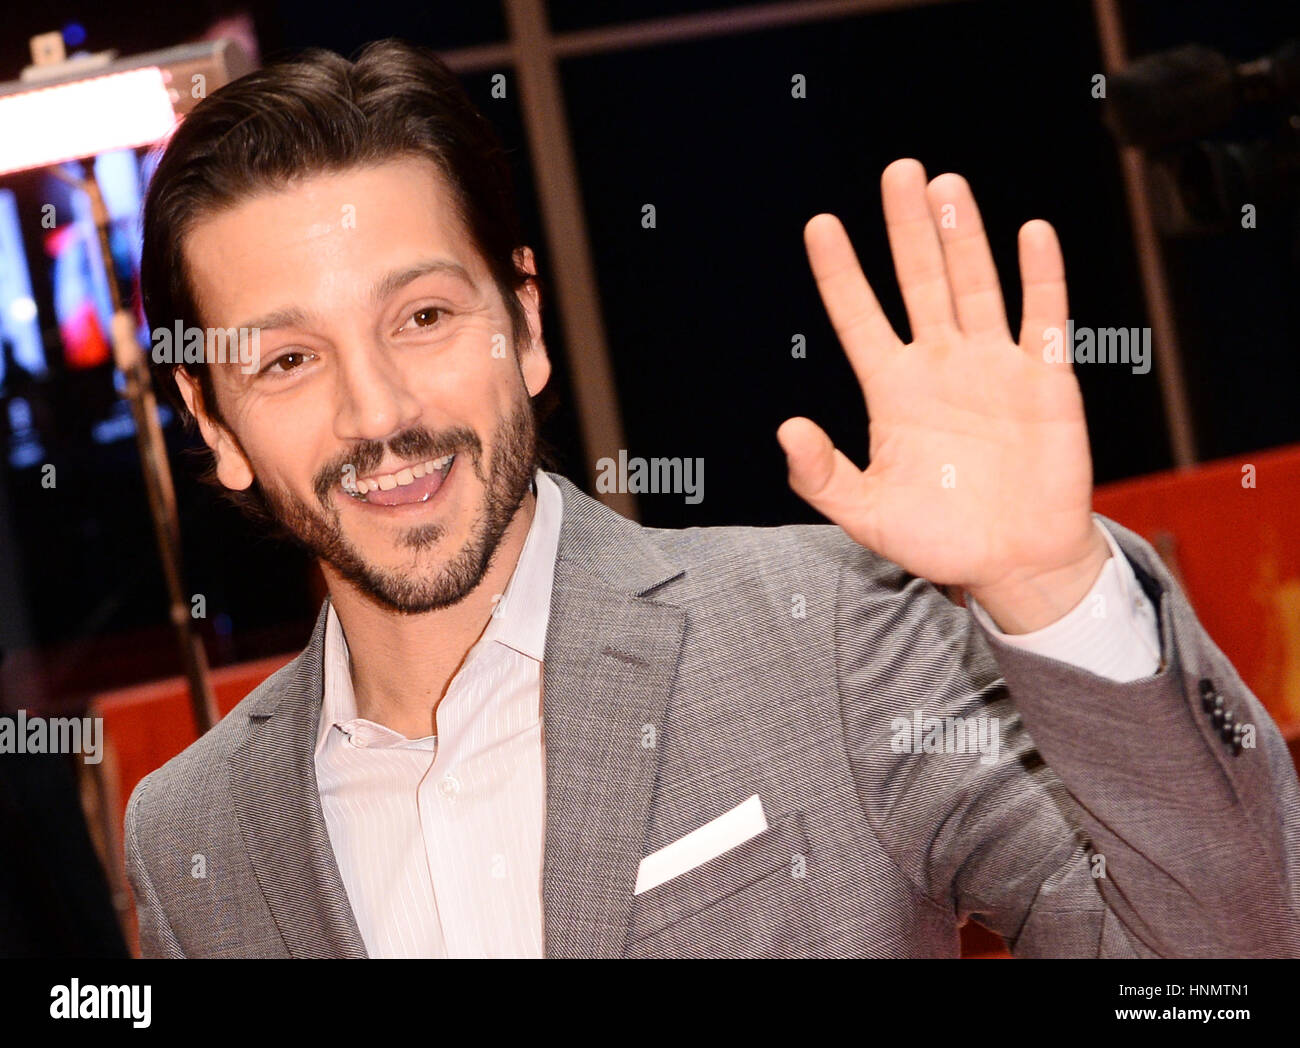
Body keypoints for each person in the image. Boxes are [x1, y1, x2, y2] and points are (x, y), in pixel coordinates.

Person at [125, 39, 1300, 958]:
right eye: (286, 359)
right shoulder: (188, 835)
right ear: (213, 423)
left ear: (525, 325)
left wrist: (1053, 594)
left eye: (424, 317)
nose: (376, 413)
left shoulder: (829, 634)